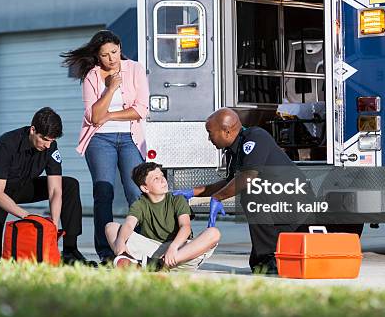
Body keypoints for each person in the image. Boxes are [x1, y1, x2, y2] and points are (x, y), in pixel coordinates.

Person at [0, 107, 96, 266]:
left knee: (69, 184)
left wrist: (53, 226)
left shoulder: (50, 147)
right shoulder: (6, 144)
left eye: (52, 141)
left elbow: (55, 190)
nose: (48, 145)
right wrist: (28, 217)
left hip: (22, 187)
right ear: (33, 130)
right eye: (45, 139)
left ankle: (70, 251)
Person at [173, 108, 307, 274]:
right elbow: (231, 181)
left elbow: (248, 176)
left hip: (294, 202)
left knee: (253, 195)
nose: (209, 138)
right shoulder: (233, 150)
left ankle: (272, 257)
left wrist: (217, 198)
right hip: (277, 202)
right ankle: (268, 256)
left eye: (210, 133)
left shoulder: (256, 137)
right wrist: (194, 192)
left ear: (227, 131)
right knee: (258, 265)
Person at [61, 30, 149, 263]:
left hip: (130, 138)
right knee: (103, 194)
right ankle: (107, 253)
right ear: (97, 57)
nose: (111, 58)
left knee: (136, 193)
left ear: (120, 48)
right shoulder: (92, 76)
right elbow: (93, 118)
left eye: (114, 52)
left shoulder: (136, 69)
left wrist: (109, 116)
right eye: (105, 55)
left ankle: (138, 248)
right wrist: (110, 88)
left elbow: (140, 110)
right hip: (100, 141)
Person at [105, 162, 220, 270]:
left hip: (180, 253)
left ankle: (159, 265)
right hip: (152, 252)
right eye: (156, 178)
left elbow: (185, 226)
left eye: (162, 175)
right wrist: (120, 242)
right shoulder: (140, 204)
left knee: (213, 233)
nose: (163, 180)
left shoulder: (177, 199)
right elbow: (129, 225)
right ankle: (131, 261)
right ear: (145, 188)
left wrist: (173, 247)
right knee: (111, 227)